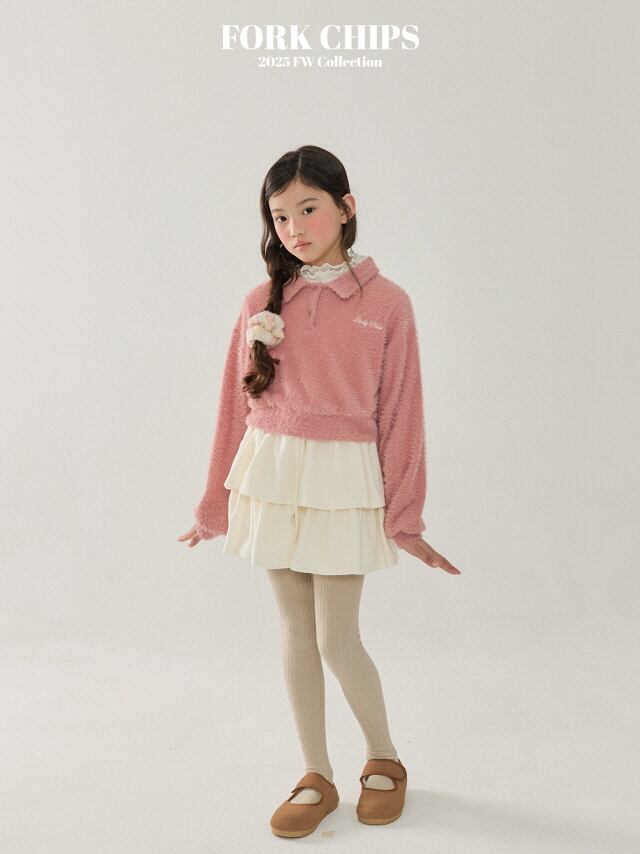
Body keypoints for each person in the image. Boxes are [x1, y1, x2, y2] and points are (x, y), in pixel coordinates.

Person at [178, 144, 461, 838]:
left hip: (342, 478)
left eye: (308, 209)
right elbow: (233, 408)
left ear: (346, 207)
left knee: (337, 637)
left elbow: (401, 412)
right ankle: (316, 773)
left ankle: (384, 756)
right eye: (280, 216)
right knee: (295, 635)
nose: (295, 228)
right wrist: (213, 503)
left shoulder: (388, 303)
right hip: (271, 474)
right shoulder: (259, 302)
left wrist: (406, 515)